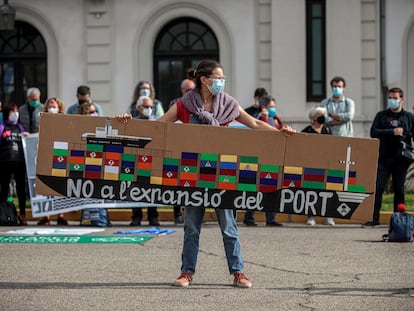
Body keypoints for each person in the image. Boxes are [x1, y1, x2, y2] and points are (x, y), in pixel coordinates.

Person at [117, 59, 295, 288]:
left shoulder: (229, 104)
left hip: (223, 173)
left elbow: (254, 124)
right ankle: (186, 273)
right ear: (204, 79)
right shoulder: (184, 104)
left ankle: (238, 272)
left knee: (229, 227)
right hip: (193, 174)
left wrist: (281, 132)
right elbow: (158, 126)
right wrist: (128, 124)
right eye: (218, 78)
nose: (221, 82)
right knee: (191, 227)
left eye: (222, 78)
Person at [364, 87, 414, 227]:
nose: (392, 100)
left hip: (402, 159)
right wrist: (391, 132)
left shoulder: (409, 117)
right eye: (390, 98)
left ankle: (398, 220)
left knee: (399, 190)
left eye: (395, 98)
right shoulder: (382, 116)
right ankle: (374, 219)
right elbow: (374, 132)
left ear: (401, 100)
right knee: (378, 188)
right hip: (384, 158)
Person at [319, 76, 355, 226]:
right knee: (325, 179)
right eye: (334, 86)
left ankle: (332, 214)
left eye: (339, 86)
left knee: (339, 180)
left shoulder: (349, 102)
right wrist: (338, 118)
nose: (336, 88)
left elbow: (350, 116)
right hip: (328, 143)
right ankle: (323, 214)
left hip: (344, 144)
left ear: (344, 87)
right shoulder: (325, 103)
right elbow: (323, 118)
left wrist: (334, 117)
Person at [243, 95, 283, 227]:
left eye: (274, 106)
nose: (273, 109)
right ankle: (249, 217)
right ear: (264, 107)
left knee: (272, 187)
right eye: (271, 107)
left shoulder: (275, 119)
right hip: (260, 158)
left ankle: (270, 218)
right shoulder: (259, 119)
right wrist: (264, 117)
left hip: (272, 157)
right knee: (255, 188)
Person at [128, 96, 161, 226]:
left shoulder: (157, 122)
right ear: (139, 108)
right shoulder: (133, 122)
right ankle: (136, 216)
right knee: (135, 188)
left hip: (152, 159)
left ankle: (153, 216)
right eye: (146, 107)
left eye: (151, 107)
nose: (149, 109)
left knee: (152, 188)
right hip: (136, 159)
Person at [169, 78, 197, 224]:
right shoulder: (177, 104)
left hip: (194, 149)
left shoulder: (199, 104)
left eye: (192, 90)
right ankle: (177, 214)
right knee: (177, 182)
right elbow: (162, 123)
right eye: (187, 90)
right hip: (178, 147)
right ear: (182, 90)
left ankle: (194, 215)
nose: (190, 93)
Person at [37, 98, 69, 225]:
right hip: (46, 154)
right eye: (49, 105)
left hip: (60, 154)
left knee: (59, 185)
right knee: (45, 184)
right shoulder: (42, 119)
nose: (51, 108)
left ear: (59, 107)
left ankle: (60, 215)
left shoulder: (65, 121)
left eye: (53, 105)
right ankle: (46, 215)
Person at [301, 107, 332, 225]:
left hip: (326, 163)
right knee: (312, 190)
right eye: (320, 114)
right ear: (314, 117)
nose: (322, 116)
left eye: (324, 114)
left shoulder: (327, 130)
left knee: (327, 190)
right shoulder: (307, 130)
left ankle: (328, 216)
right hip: (311, 164)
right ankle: (311, 216)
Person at [0, 103, 30, 225]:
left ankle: (22, 214)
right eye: (13, 111)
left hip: (19, 162)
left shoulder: (20, 127)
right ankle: (2, 213)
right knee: (4, 189)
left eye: (16, 111)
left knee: (20, 189)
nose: (15, 114)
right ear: (8, 113)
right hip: (4, 162)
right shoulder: (2, 127)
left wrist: (28, 137)